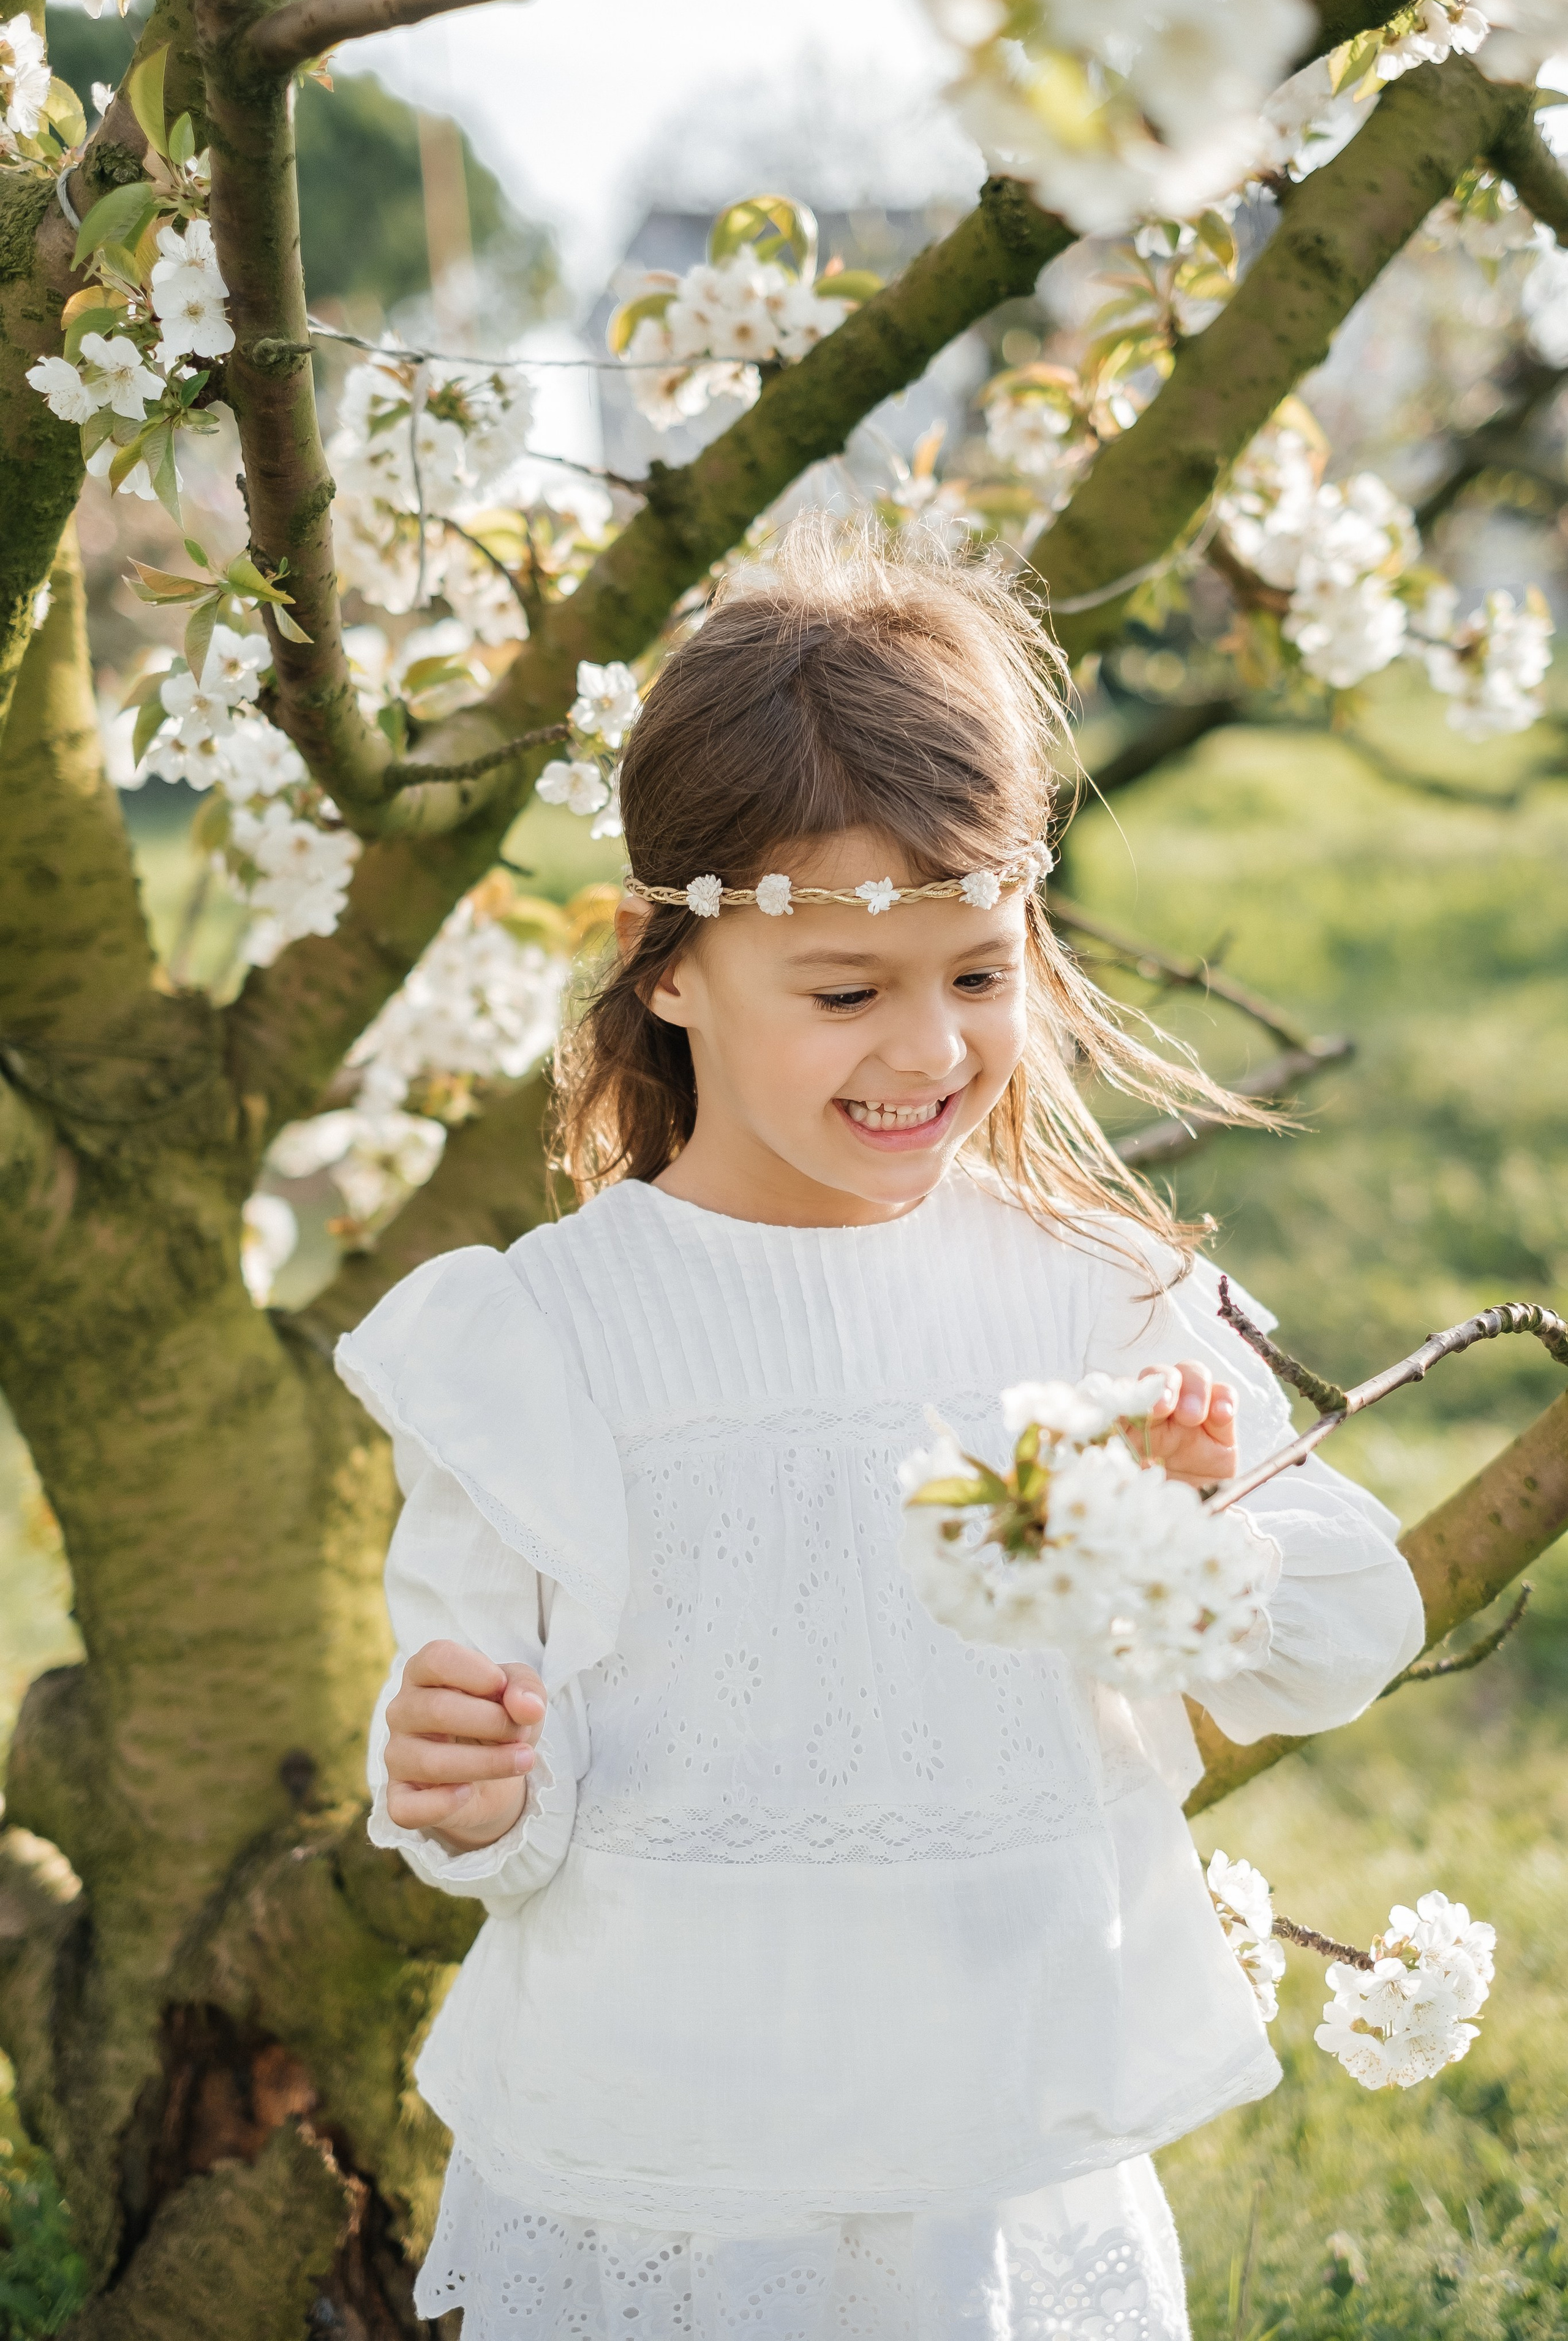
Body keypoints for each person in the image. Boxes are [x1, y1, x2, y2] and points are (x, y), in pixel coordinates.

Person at [334, 517, 1424, 2339]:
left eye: (980, 974)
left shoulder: (1092, 1294)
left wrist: (1187, 1542)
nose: (928, 1051)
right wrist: (464, 1782)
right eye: (847, 993)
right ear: (671, 968)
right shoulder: (542, 1342)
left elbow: (1347, 1627)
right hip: (671, 2145)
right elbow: (490, 1799)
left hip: (992, 2140)